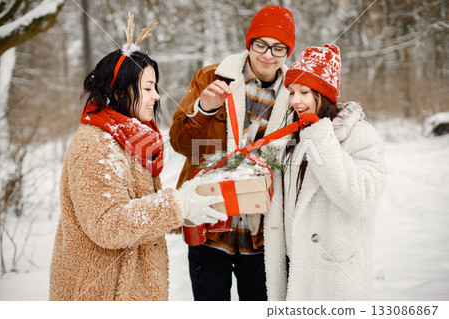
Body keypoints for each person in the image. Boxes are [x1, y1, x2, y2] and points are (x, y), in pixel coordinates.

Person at [49, 16, 226, 301]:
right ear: (118, 90)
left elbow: (140, 212)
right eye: (147, 88)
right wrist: (176, 205)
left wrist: (187, 210)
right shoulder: (96, 144)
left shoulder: (132, 139)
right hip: (101, 294)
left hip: (134, 290)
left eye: (155, 87)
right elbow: (108, 224)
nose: (157, 96)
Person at [169, 5, 296, 301]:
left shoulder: (294, 93)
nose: (268, 55)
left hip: (263, 234)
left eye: (278, 48)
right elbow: (179, 143)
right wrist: (205, 109)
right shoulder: (213, 77)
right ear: (248, 43)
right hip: (211, 226)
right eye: (261, 44)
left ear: (287, 52)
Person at [264, 44, 387, 300]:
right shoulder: (293, 136)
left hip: (333, 275)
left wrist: (321, 137)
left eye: (304, 92)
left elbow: (359, 198)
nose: (295, 100)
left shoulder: (360, 136)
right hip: (294, 267)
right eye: (292, 91)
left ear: (324, 94)